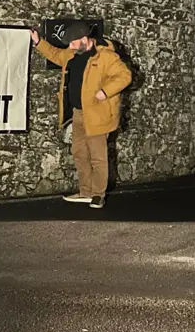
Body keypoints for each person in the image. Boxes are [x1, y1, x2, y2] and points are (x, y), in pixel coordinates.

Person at [30, 21, 132, 208]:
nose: (70, 47)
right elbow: (54, 54)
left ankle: (98, 195)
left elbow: (125, 76)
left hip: (97, 115)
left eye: (73, 43)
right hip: (78, 113)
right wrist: (38, 42)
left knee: (98, 157)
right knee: (79, 153)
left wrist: (106, 91)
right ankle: (85, 191)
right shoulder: (72, 54)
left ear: (85, 39)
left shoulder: (106, 57)